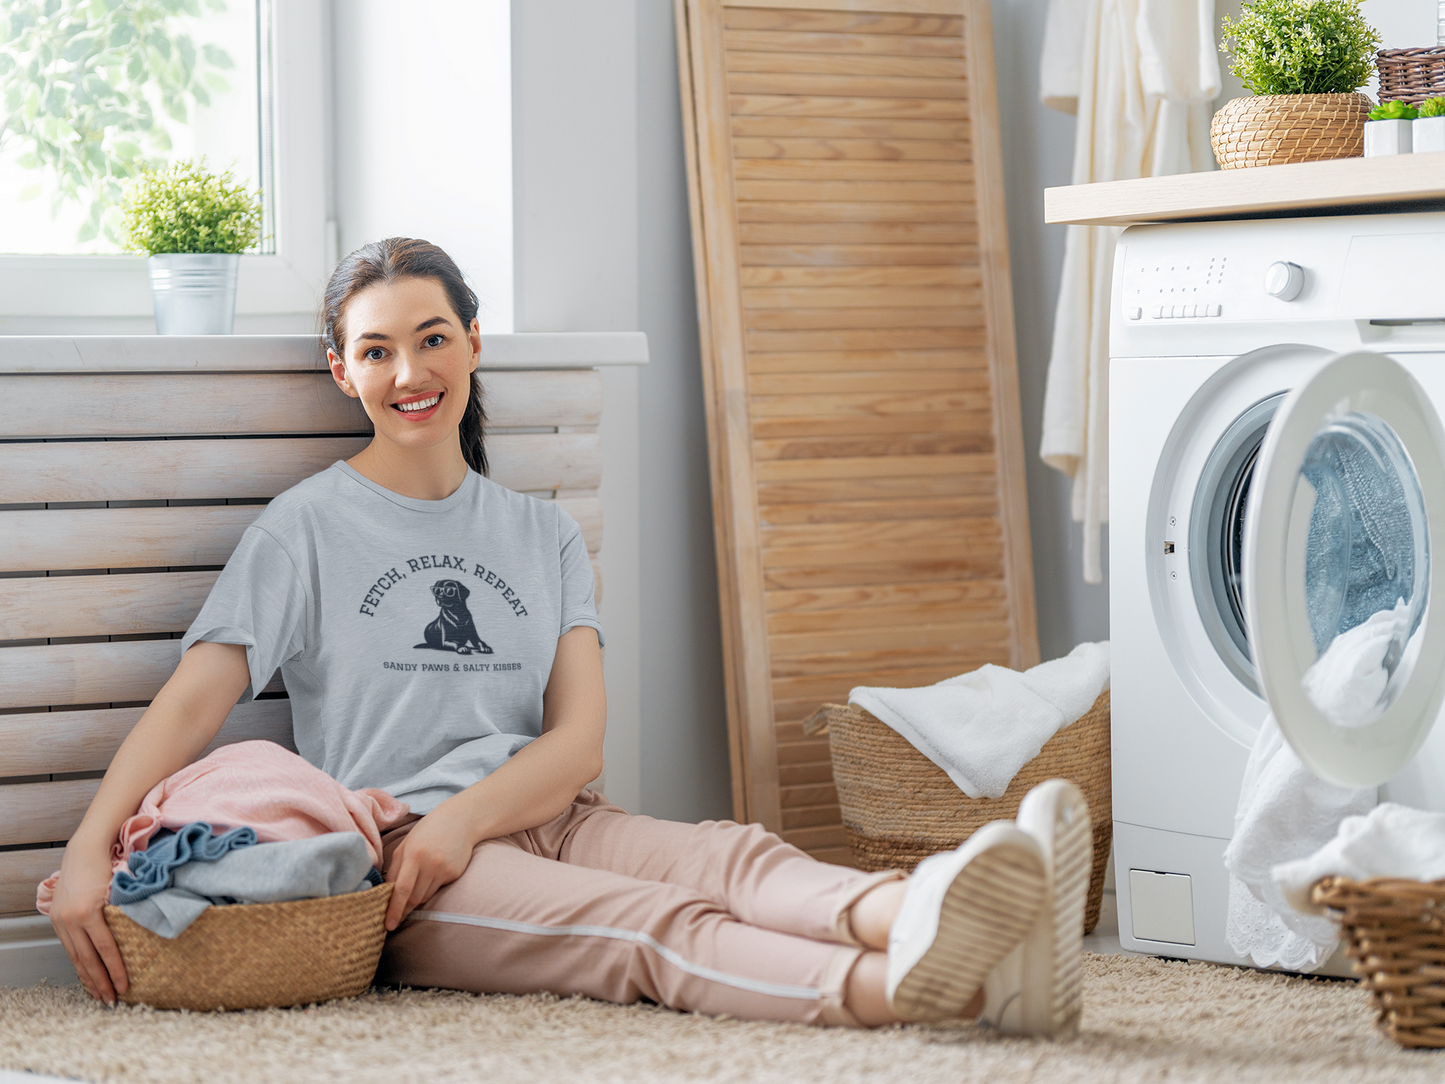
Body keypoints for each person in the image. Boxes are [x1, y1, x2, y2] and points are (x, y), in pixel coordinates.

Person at [46, 237, 1089, 1034]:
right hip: (412, 860)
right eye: (377, 349)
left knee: (724, 856)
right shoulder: (303, 529)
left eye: (431, 337)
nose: (409, 369)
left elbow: (578, 740)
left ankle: (943, 910)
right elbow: (194, 698)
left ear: (471, 344)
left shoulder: (539, 531)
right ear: (342, 372)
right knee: (645, 927)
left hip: (555, 810)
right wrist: (90, 849)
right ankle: (907, 988)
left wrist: (479, 818)